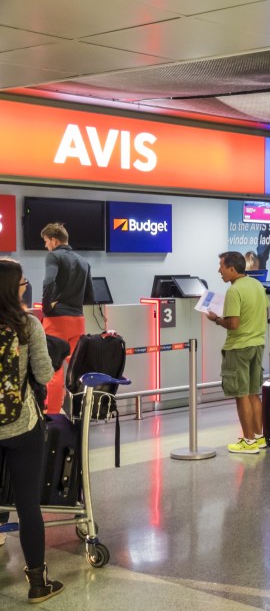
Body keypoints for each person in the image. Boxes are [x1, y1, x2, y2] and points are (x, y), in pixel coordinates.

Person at [0, 258, 64, 602]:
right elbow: (42, 375)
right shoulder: (27, 325)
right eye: (23, 283)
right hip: (21, 425)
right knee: (27, 505)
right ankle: (38, 583)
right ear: (14, 288)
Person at [207, 252, 270, 454]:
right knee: (253, 393)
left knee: (241, 395)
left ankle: (248, 441)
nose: (219, 271)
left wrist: (216, 319)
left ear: (232, 269)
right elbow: (265, 313)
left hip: (239, 348)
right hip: (257, 344)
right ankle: (259, 438)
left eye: (221, 267)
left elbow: (233, 324)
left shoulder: (234, 291)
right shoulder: (257, 285)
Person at [40, 222, 91, 414]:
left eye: (46, 242)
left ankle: (52, 414)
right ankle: (83, 411)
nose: (46, 246)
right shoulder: (84, 261)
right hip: (78, 320)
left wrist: (47, 307)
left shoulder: (53, 256)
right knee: (78, 369)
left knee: (54, 371)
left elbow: (49, 281)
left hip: (57, 322)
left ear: (54, 240)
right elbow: (89, 296)